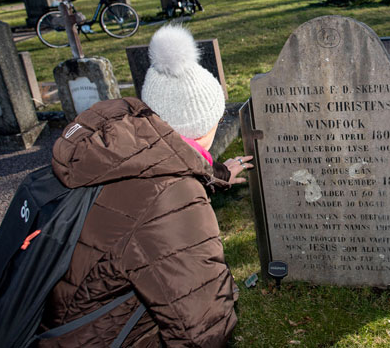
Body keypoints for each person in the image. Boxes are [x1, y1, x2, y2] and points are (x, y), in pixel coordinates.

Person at [39, 24, 251, 347]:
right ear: (202, 126)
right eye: (217, 119)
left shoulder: (121, 146)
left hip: (62, 320)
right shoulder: (172, 199)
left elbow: (169, 162)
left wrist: (218, 173)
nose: (218, 124)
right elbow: (205, 328)